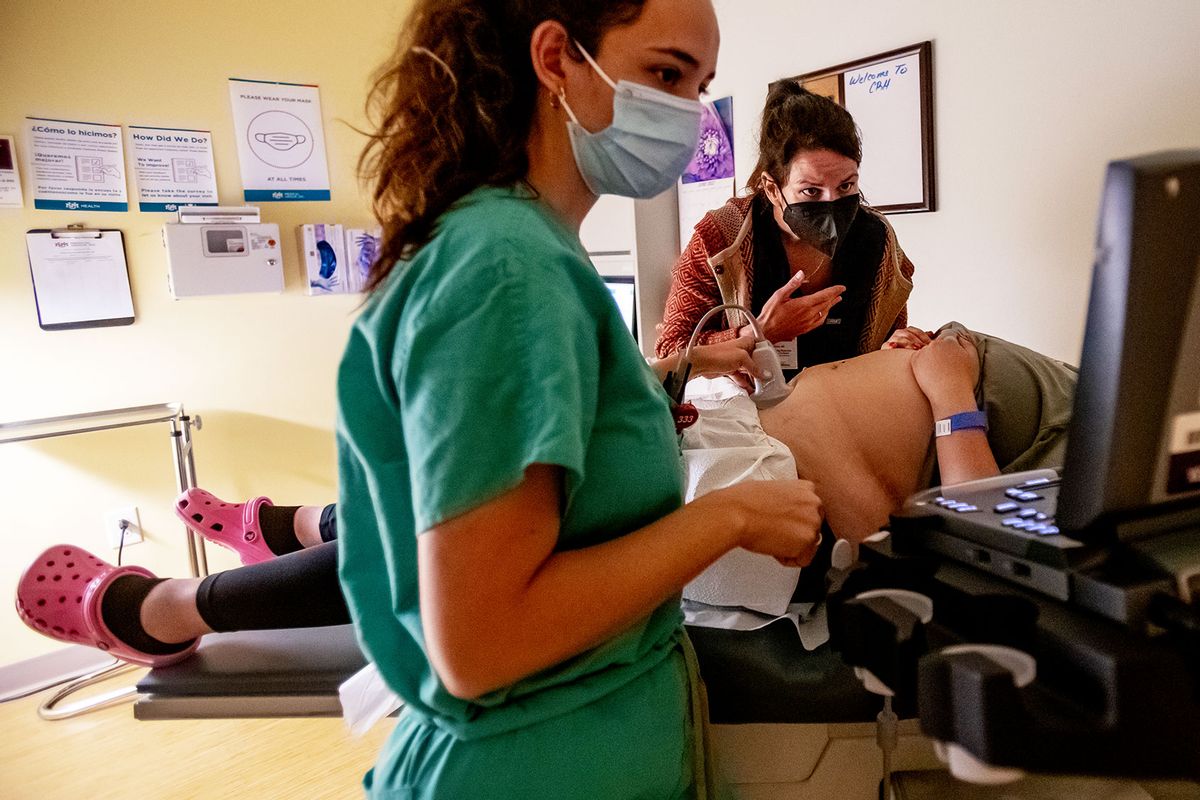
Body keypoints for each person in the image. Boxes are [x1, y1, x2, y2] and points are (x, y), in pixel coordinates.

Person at [20, 3, 826, 798]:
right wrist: (732, 517)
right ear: (556, 60)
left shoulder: (529, 251)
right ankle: (172, 600)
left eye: (699, 85)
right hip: (529, 765)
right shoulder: (507, 272)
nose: (686, 116)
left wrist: (660, 394)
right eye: (664, 75)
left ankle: (237, 554)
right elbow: (481, 640)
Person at [18, 321, 1076, 660]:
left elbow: (991, 534)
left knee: (477, 544)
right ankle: (283, 531)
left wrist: (951, 400)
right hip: (729, 443)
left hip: (761, 498)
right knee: (474, 490)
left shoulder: (1092, 443)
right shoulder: (1101, 383)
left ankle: (169, 608)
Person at [656, 81, 917, 383]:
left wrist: (896, 348)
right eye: (810, 191)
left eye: (846, 185)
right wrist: (759, 331)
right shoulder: (719, 240)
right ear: (772, 188)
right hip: (754, 415)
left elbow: (886, 340)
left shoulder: (879, 241)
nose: (831, 203)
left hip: (847, 410)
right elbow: (669, 354)